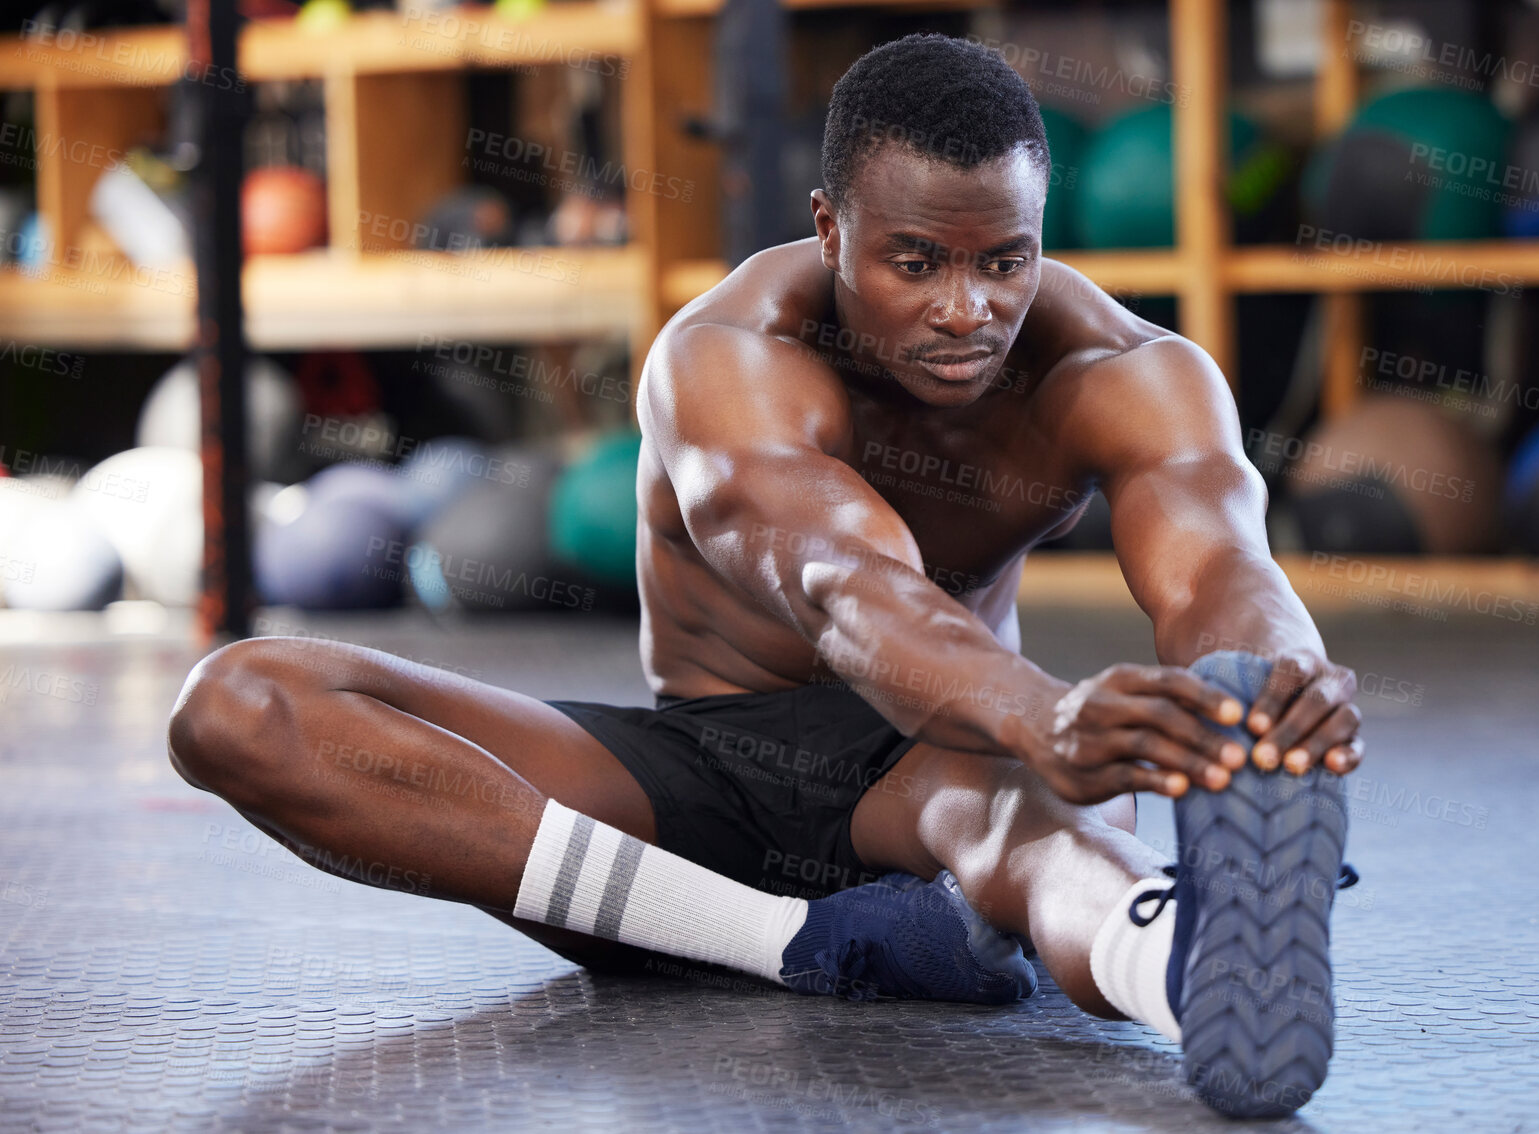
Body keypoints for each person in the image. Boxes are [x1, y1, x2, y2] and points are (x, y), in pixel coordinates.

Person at [166, 33, 1364, 1119]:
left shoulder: (1123, 370)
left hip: (926, 760)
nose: (968, 310)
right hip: (694, 775)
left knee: (1024, 813)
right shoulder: (728, 359)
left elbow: (1216, 559)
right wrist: (1039, 709)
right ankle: (788, 942)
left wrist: (1265, 694)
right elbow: (841, 585)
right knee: (242, 707)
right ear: (828, 227)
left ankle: (1190, 968)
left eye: (1005, 261)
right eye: (915, 263)